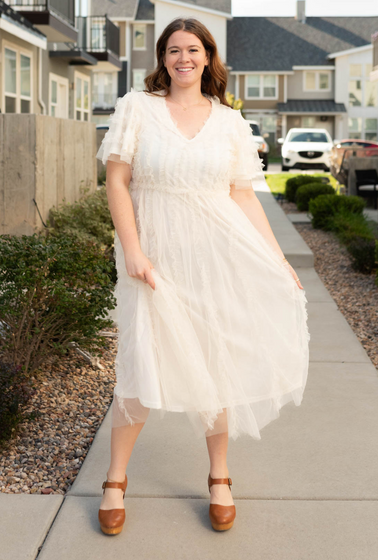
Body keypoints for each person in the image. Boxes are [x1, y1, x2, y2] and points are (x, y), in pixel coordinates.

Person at [96, 17, 310, 535]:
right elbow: (118, 182)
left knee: (217, 365)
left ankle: (219, 477)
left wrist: (277, 259)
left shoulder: (229, 122)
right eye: (174, 50)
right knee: (141, 364)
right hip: (154, 260)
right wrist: (133, 251)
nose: (184, 58)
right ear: (163, 58)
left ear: (209, 56)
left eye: (193, 49)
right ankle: (115, 480)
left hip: (218, 257)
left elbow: (241, 195)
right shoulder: (137, 108)